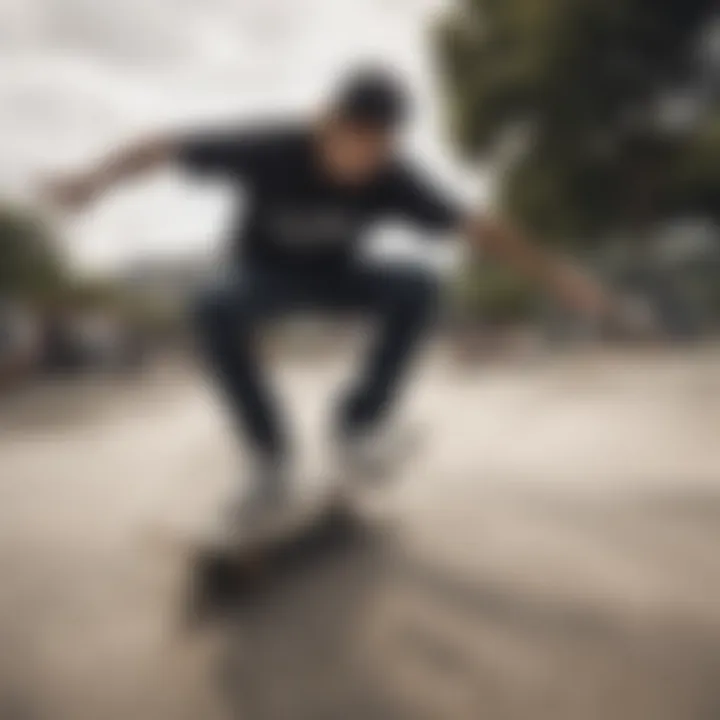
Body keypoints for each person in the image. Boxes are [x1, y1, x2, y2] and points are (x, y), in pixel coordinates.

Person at [44, 67, 613, 522]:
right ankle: (269, 458)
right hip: (262, 276)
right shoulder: (274, 146)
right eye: (348, 143)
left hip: (340, 279)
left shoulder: (395, 177)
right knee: (213, 305)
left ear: (390, 144)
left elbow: (479, 227)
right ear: (326, 126)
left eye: (375, 149)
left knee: (417, 282)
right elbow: (162, 147)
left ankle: (358, 425)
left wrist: (555, 274)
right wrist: (92, 182)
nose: (358, 161)